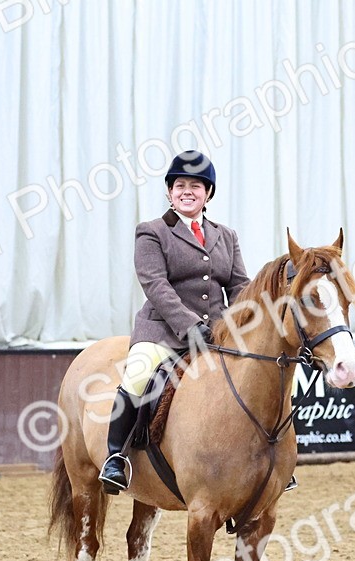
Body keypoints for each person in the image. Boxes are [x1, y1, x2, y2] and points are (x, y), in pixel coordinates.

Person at [98, 151, 251, 493]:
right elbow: (156, 285)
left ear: (208, 194)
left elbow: (239, 286)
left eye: (195, 186)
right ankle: (116, 457)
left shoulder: (226, 236)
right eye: (179, 185)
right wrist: (190, 325)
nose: (187, 191)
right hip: (163, 332)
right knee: (138, 374)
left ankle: (263, 459)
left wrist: (247, 321)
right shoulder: (152, 231)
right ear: (169, 192)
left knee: (257, 373)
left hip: (214, 334)